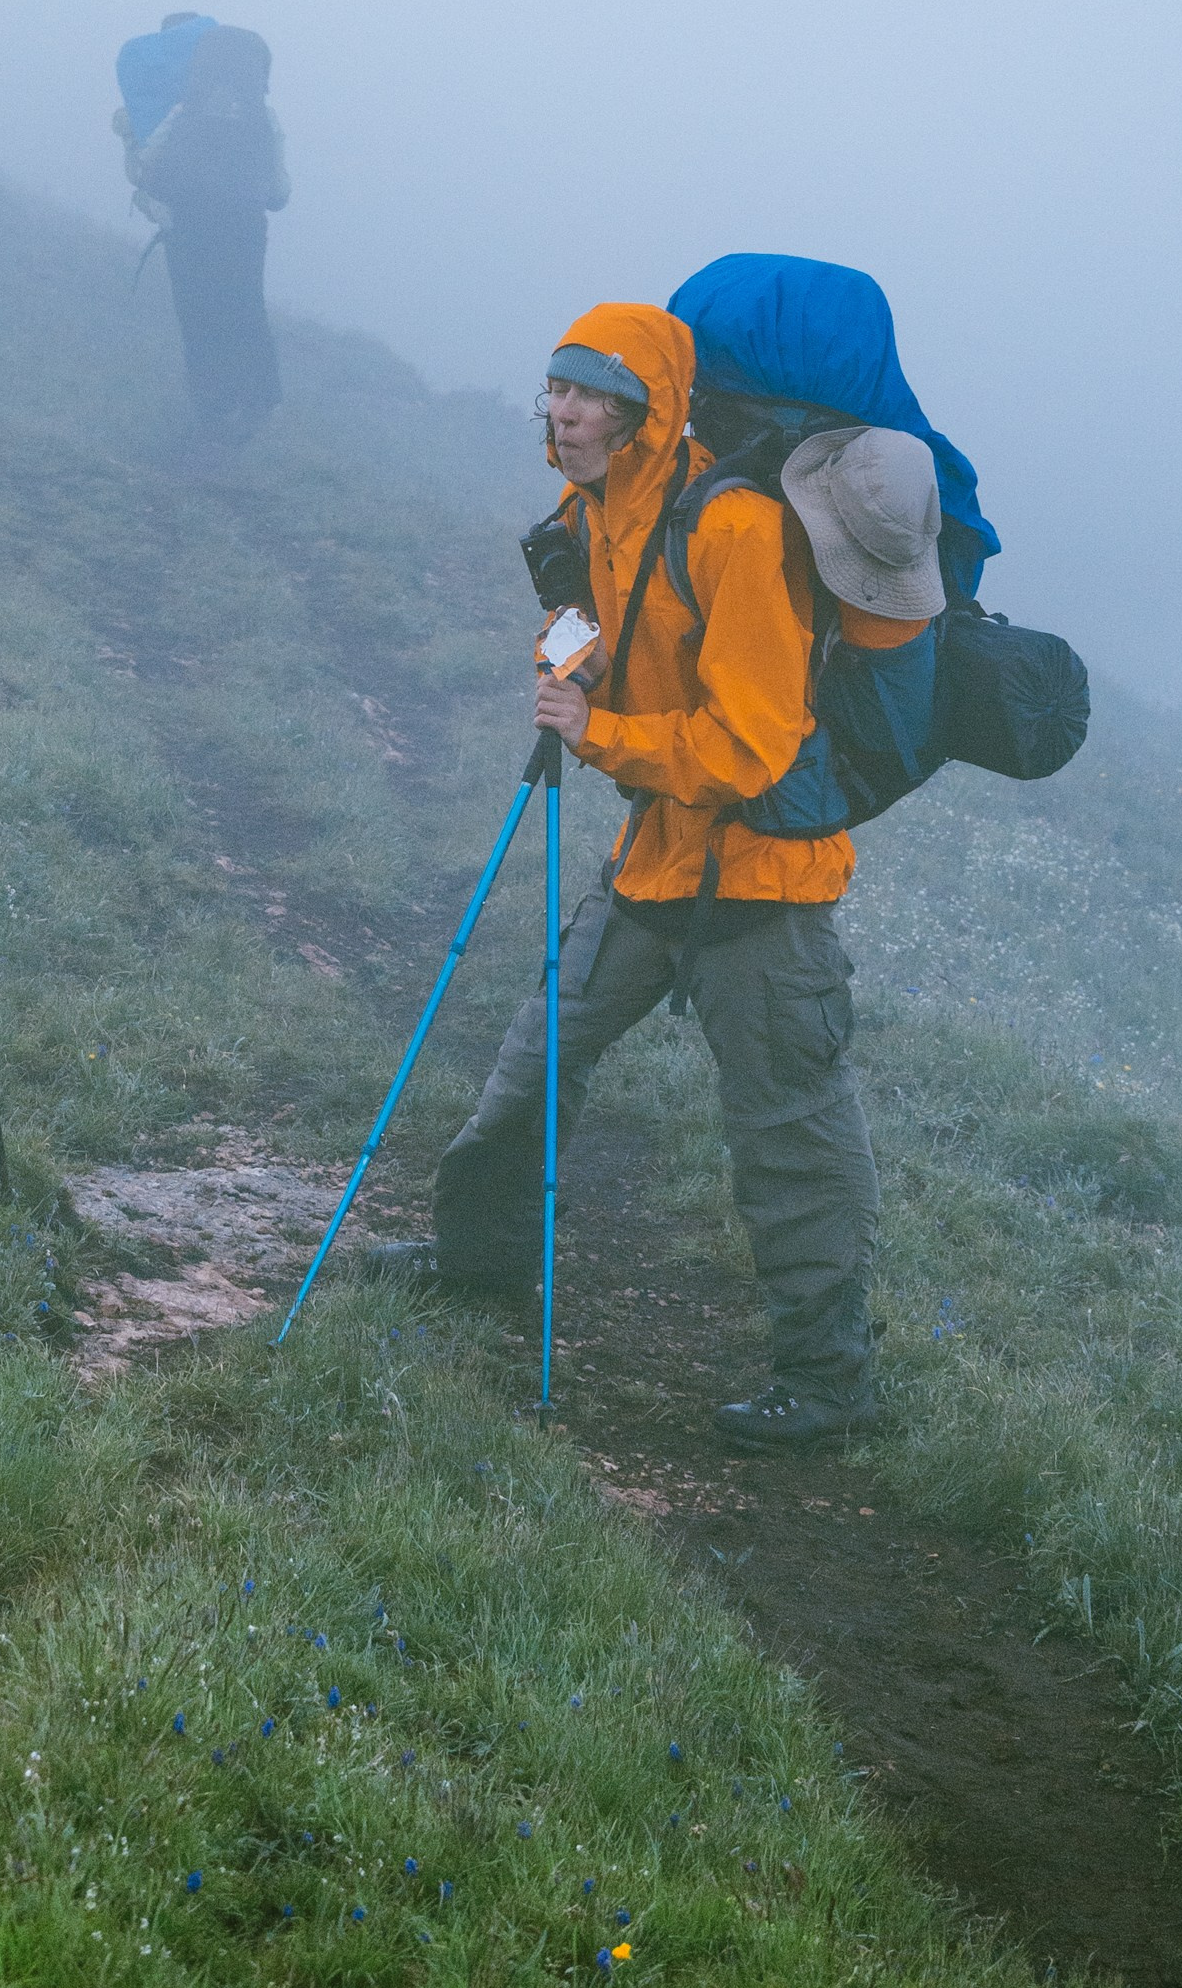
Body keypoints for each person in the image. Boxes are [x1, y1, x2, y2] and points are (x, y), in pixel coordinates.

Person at [372, 300, 910, 1449]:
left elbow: (754, 742)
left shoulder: (736, 529)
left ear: (646, 409)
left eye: (590, 395)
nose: (562, 411)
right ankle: (477, 1260)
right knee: (536, 1056)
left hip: (765, 884)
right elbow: (580, 620)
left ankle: (828, 1384)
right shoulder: (594, 506)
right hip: (655, 862)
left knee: (791, 1133)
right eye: (556, 389)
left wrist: (600, 734)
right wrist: (565, 658)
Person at [117, 21, 289, 444]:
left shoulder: (182, 113)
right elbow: (279, 195)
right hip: (246, 228)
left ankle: (213, 413)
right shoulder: (262, 118)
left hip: (189, 227)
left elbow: (147, 171)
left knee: (197, 315)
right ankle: (260, 403)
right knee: (246, 307)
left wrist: (127, 137)